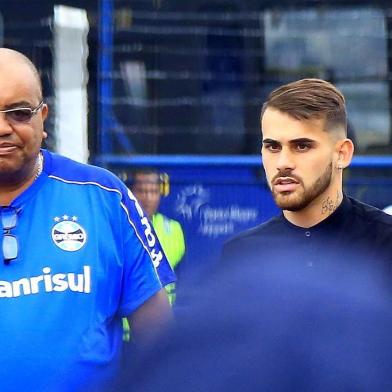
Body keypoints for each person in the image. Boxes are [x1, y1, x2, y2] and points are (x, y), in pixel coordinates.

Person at [0, 48, 175, 392]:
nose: (3, 128)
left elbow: (159, 340)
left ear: (43, 118)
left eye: (18, 113)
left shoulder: (104, 196)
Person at [129, 167, 185, 305]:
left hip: (162, 319)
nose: (147, 198)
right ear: (130, 193)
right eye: (141, 191)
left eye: (153, 192)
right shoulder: (118, 226)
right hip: (125, 322)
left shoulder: (173, 228)